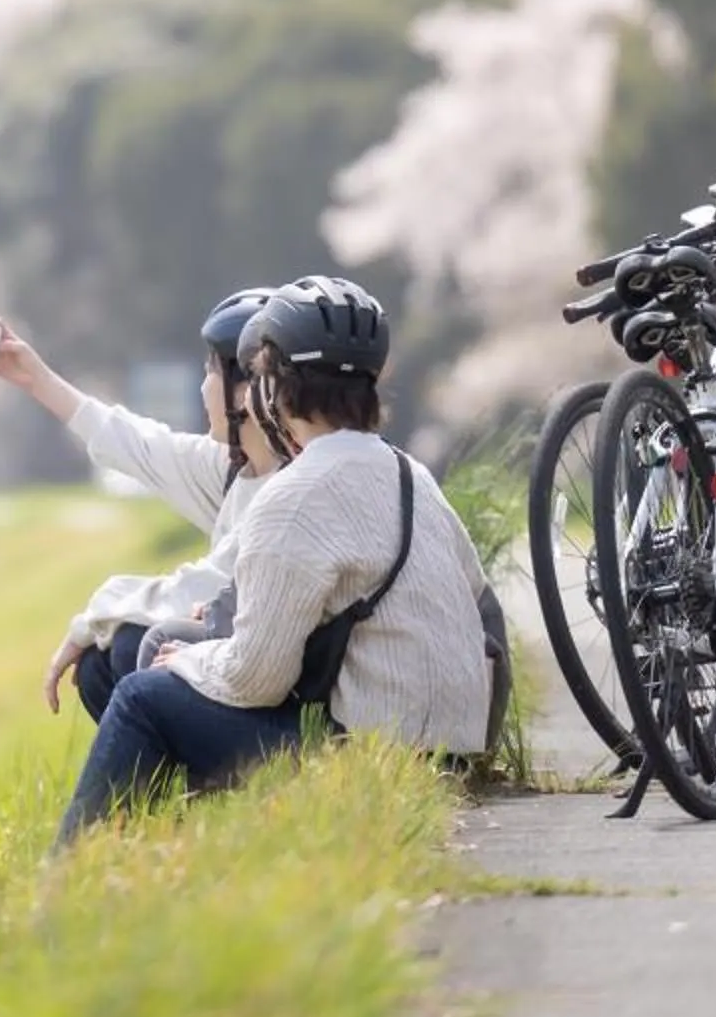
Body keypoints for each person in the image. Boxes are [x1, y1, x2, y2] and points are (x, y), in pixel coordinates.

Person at [54, 276, 495, 847]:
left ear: (276, 391)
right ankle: (184, 850)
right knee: (167, 673)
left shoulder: (293, 498)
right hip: (452, 747)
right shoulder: (413, 475)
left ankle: (68, 875)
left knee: (144, 697)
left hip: (373, 757)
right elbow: (474, 589)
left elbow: (256, 679)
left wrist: (187, 661)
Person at [0, 290, 279, 721]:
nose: (203, 386)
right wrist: (35, 378)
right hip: (245, 667)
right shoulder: (242, 466)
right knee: (108, 656)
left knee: (129, 644)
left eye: (211, 370)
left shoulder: (286, 491)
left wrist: (93, 616)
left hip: (277, 694)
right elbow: (141, 446)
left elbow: (201, 588)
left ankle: (191, 776)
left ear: (246, 390)